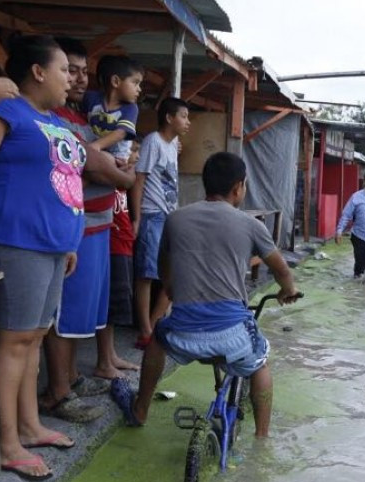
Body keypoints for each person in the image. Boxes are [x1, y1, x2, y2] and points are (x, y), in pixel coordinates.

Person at [0, 35, 89, 481]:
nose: (71, 79)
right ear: (37, 71)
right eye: (64, 70)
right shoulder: (6, 110)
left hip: (51, 245)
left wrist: (68, 241)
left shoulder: (51, 120)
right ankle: (6, 443)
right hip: (15, 239)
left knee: (33, 337)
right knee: (14, 341)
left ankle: (30, 426)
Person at [111, 152, 299, 434]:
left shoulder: (175, 219)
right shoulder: (252, 225)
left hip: (183, 333)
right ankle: (262, 438)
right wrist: (288, 290)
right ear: (238, 187)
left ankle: (140, 410)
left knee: (156, 338)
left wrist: (173, 289)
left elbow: (165, 270)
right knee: (260, 364)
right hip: (232, 334)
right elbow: (282, 271)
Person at [40, 38, 137, 423]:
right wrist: (121, 173)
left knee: (79, 313)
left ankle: (71, 378)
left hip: (97, 224)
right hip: (74, 229)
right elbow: (93, 168)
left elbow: (104, 164)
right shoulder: (56, 118)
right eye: (69, 70)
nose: (78, 79)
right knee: (63, 315)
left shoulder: (83, 118)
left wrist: (118, 169)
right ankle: (58, 393)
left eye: (82, 71)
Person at [130, 97, 190, 347]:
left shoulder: (173, 142)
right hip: (152, 214)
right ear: (168, 118)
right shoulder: (153, 142)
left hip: (169, 216)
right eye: (183, 116)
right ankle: (145, 330)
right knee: (146, 274)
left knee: (172, 273)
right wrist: (136, 218)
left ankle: (154, 325)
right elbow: (139, 180)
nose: (187, 122)